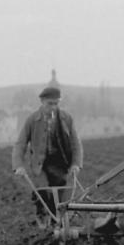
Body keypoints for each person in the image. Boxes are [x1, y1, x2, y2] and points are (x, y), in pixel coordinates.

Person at [12, 86, 82, 228]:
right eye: (50, 104)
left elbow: (75, 143)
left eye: (56, 103)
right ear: (42, 102)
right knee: (43, 190)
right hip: (40, 165)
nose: (53, 107)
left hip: (60, 163)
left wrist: (76, 164)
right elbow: (21, 143)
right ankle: (42, 214)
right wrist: (18, 165)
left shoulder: (66, 119)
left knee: (60, 196)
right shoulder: (32, 120)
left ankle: (57, 221)